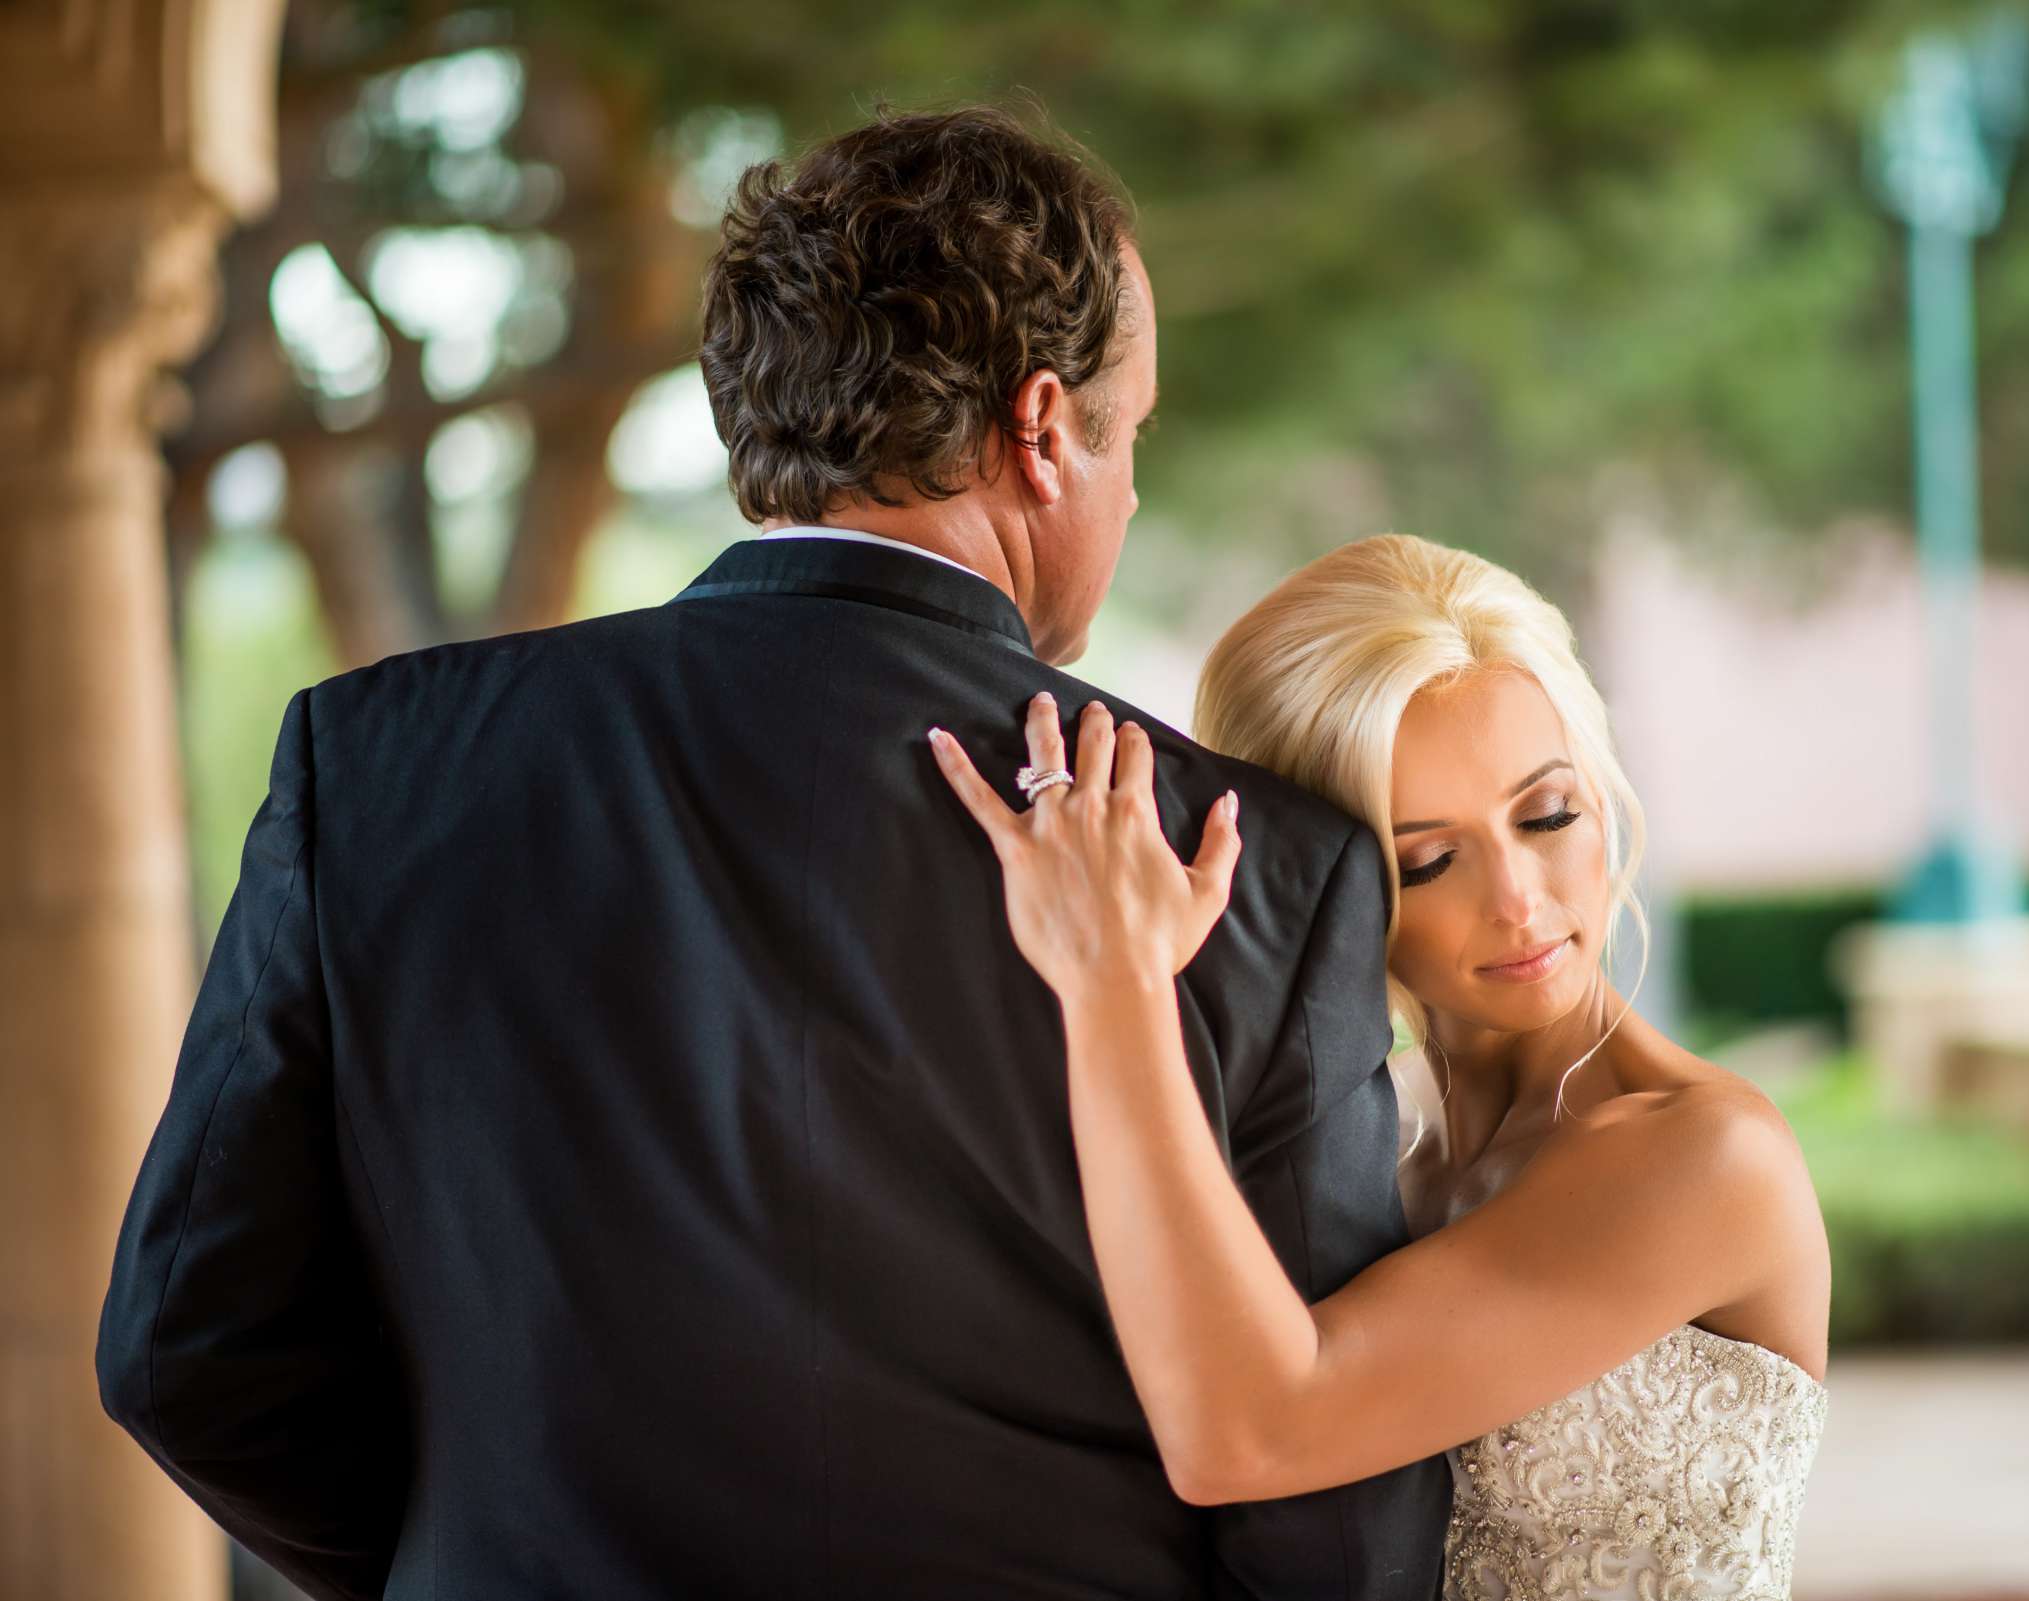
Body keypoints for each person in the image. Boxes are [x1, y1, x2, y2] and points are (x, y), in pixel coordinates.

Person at [96, 106, 1446, 1597]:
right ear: (1044, 429)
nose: (1129, 488)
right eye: (1131, 433)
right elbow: (1331, 1526)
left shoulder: (371, 775)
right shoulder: (1254, 862)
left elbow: (185, 1351)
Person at [929, 533, 1832, 1600]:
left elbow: (1252, 1433)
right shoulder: (1369, 1131)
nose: (1519, 898)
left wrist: (1114, 978)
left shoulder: (1704, 1156)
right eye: (1429, 859)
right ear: (1322, 874)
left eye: (1548, 814)